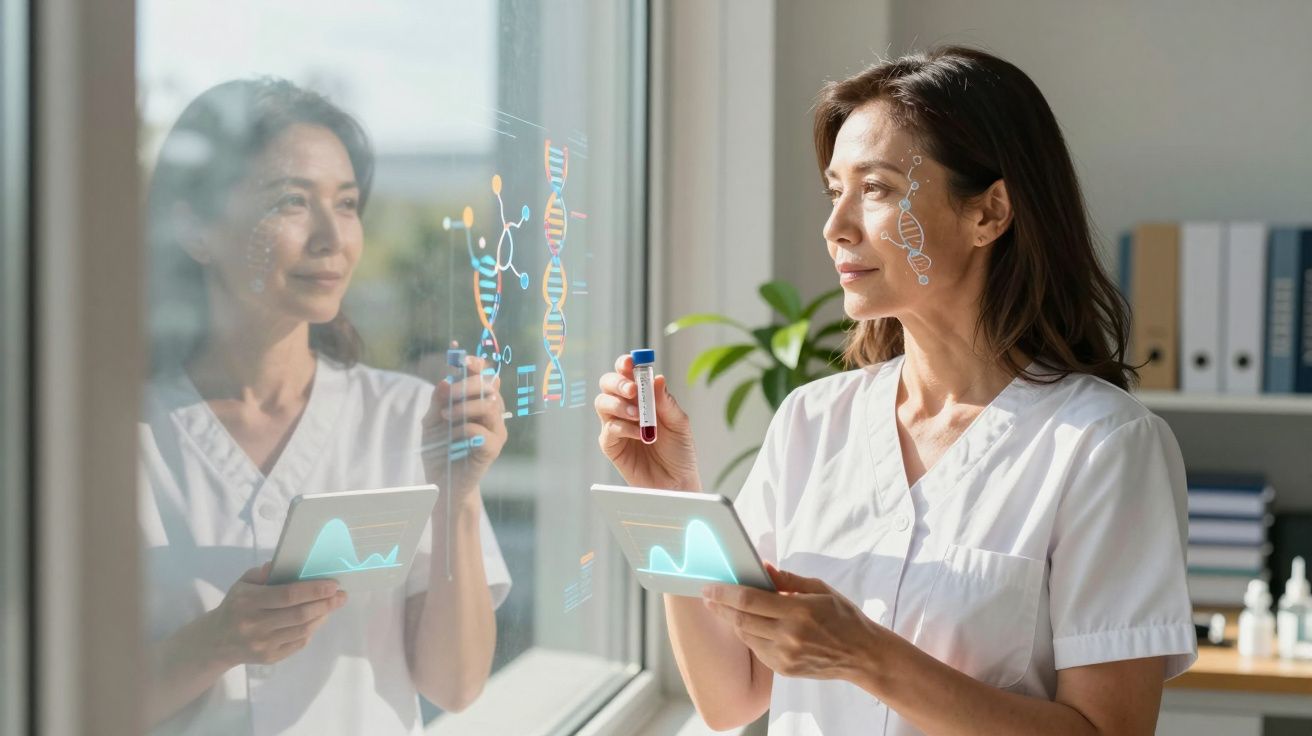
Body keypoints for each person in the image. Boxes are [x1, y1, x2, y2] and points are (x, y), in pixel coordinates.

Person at [595, 46, 1195, 736]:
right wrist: (673, 497)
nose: (835, 227)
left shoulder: (1104, 446)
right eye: (835, 191)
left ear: (989, 212)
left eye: (876, 189)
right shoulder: (811, 421)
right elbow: (730, 696)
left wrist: (867, 656)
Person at [140, 78, 511, 735]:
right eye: (291, 201)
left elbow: (454, 686)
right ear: (194, 226)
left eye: (346, 204)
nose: (331, 238)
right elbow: (61, 701)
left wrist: (456, 496)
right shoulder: (120, 438)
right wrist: (217, 643)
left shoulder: (406, 420)